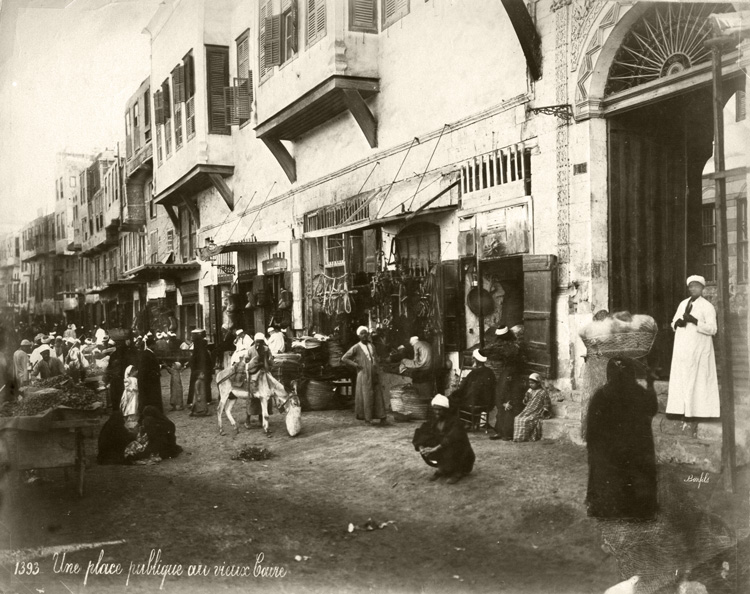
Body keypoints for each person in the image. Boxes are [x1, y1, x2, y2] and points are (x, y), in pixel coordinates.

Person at [586, 357, 658, 520]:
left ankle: (612, 507)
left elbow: (592, 431)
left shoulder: (601, 395)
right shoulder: (638, 393)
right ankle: (635, 509)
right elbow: (652, 410)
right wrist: (650, 385)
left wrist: (596, 449)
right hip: (631, 451)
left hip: (612, 452)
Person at [666, 275, 720, 418]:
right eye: (690, 286)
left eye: (696, 286)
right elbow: (673, 321)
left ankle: (698, 412)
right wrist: (677, 323)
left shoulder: (707, 307)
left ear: (702, 288)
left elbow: (713, 329)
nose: (693, 288)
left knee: (699, 379)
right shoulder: (683, 304)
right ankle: (678, 410)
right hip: (683, 349)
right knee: (681, 378)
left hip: (698, 349)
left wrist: (695, 321)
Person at [413, 394, 476, 484]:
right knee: (426, 440)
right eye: (435, 409)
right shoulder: (433, 420)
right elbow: (421, 432)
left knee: (452, 447)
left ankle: (458, 472)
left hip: (460, 454)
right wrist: (421, 447)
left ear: (445, 410)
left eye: (440, 410)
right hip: (443, 448)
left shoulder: (455, 421)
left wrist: (435, 448)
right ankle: (442, 468)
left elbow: (451, 438)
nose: (437, 412)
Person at [341, 326, 387, 426]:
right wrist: (356, 365)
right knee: (367, 396)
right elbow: (344, 358)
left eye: (366, 333)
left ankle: (382, 417)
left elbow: (375, 358)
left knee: (378, 395)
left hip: (374, 373)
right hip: (364, 375)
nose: (364, 335)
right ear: (358, 335)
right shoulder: (356, 347)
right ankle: (367, 419)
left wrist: (377, 368)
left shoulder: (372, 346)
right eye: (362, 333)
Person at [487, 326, 526, 441]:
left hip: (513, 373)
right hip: (507, 371)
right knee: (501, 398)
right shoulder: (506, 345)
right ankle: (500, 430)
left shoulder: (513, 346)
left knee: (510, 401)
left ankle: (508, 432)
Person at [449, 348, 496, 421]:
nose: (472, 360)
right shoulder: (490, 372)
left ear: (476, 360)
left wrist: (452, 396)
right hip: (488, 403)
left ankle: (462, 423)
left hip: (474, 402)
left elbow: (462, 389)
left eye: (473, 359)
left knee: (453, 401)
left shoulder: (474, 373)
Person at [244, 332, 274, 427]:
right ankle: (247, 419)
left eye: (260, 342)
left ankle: (262, 418)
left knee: (266, 395)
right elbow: (246, 361)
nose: (258, 344)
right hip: (253, 374)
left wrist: (266, 358)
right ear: (254, 342)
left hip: (263, 373)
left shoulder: (266, 349)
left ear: (263, 342)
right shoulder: (250, 350)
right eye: (257, 342)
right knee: (252, 397)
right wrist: (254, 364)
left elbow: (270, 361)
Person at [513, 373, 551, 442]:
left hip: (537, 411)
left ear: (538, 383)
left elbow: (547, 404)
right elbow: (525, 402)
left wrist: (544, 411)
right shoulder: (530, 391)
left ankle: (524, 438)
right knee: (517, 418)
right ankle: (518, 438)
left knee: (525, 420)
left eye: (532, 383)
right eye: (529, 383)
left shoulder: (543, 392)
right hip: (528, 410)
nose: (530, 385)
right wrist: (526, 396)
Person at [188, 329, 212, 415]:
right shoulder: (204, 348)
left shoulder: (196, 347)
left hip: (197, 368)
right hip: (203, 368)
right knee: (204, 383)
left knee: (195, 383)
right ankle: (206, 399)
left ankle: (193, 400)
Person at [138, 335, 163, 413]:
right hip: (150, 380)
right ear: (151, 345)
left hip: (152, 379)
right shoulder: (147, 354)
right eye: (154, 345)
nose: (156, 346)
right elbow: (147, 368)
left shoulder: (149, 353)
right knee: (152, 396)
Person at [120, 364, 140, 432]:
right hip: (130, 395)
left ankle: (133, 421)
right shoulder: (128, 379)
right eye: (135, 371)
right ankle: (129, 421)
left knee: (134, 406)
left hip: (134, 395)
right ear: (131, 372)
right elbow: (127, 387)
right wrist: (133, 389)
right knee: (130, 406)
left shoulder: (135, 379)